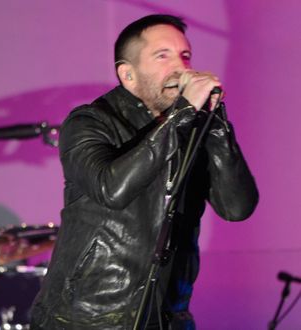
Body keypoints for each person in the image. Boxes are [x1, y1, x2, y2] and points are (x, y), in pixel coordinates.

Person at [30, 14, 258, 330]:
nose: (181, 67)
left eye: (185, 55)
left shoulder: (192, 128)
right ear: (128, 74)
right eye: (162, 55)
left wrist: (217, 128)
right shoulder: (89, 123)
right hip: (87, 318)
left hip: (166, 316)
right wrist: (181, 117)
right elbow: (112, 189)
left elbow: (236, 208)